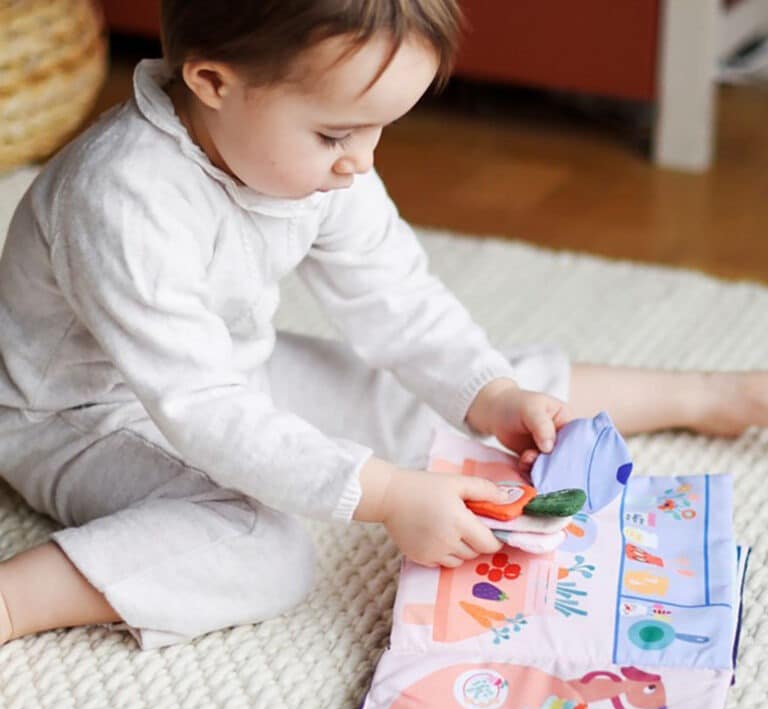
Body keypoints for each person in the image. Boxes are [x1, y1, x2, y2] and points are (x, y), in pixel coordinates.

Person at [0, 0, 765, 651]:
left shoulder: (316, 155)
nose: (360, 162)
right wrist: (390, 495)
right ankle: (13, 601)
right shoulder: (122, 199)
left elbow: (397, 296)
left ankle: (702, 395)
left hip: (227, 372)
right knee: (261, 549)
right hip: (74, 418)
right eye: (336, 135)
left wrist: (491, 394)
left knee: (446, 402)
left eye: (381, 130)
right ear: (212, 82)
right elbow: (201, 410)